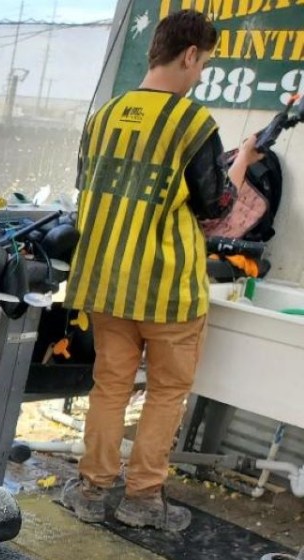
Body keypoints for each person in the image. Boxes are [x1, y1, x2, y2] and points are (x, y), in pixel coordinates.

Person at [59, 10, 263, 532]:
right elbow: (216, 205)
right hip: (169, 290)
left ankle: (90, 490)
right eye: (204, 64)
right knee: (167, 393)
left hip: (106, 282)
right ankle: (143, 500)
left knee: (110, 388)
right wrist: (240, 164)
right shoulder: (194, 122)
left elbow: (91, 185)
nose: (201, 75)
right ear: (190, 54)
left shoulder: (104, 116)